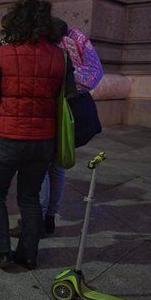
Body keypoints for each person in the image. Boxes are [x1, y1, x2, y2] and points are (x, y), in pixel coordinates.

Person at [0, 0, 76, 271]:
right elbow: (70, 95)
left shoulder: (5, 53)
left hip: (8, 137)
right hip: (43, 140)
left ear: (14, 22)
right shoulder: (61, 56)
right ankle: (28, 254)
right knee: (30, 197)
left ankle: (1, 252)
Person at [39, 17, 104, 234]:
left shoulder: (54, 48)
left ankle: (37, 218)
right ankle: (50, 216)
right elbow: (94, 74)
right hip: (74, 109)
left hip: (54, 110)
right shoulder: (78, 39)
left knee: (41, 166)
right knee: (57, 166)